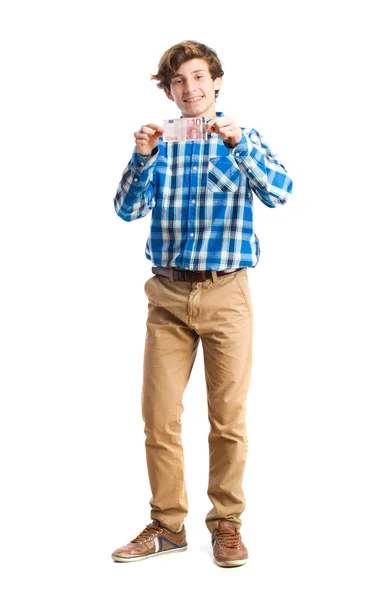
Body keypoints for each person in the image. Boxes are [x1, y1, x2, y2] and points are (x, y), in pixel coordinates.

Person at [111, 40, 293, 568]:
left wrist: (240, 146)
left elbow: (281, 192)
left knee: (228, 419)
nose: (188, 89)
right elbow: (126, 210)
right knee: (159, 417)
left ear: (215, 81)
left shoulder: (243, 137)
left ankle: (226, 523)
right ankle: (168, 526)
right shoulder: (161, 142)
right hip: (166, 295)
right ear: (168, 90)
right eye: (177, 82)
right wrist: (140, 158)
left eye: (197, 77)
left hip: (226, 293)